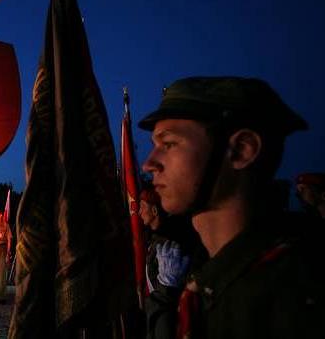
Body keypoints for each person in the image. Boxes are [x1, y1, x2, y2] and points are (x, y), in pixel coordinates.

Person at [139, 76, 325, 339]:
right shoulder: (210, 273)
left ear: (241, 150)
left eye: (168, 144)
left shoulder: (296, 293)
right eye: (154, 146)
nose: (148, 164)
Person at [139, 186, 201, 339]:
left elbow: (165, 298)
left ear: (154, 211)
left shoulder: (169, 245)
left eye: (142, 207)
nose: (139, 212)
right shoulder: (155, 240)